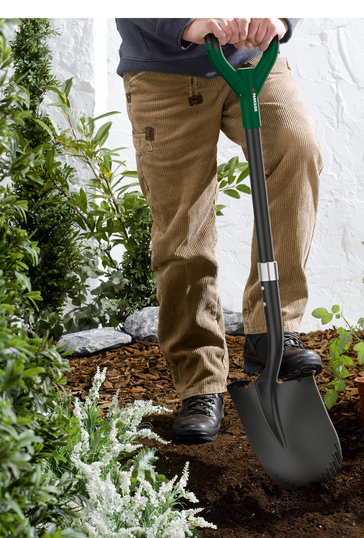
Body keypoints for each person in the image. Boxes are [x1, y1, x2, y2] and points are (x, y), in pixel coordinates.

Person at [115, 18, 323, 444]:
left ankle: (273, 331)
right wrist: (184, 22)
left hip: (250, 61)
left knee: (296, 151)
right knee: (183, 228)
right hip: (164, 73)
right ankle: (201, 384)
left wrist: (280, 18)